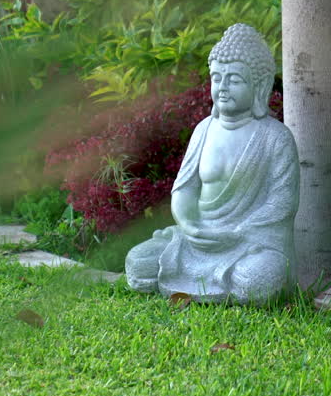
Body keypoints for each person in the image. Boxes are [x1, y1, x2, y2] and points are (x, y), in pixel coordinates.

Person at [124, 23, 299, 303]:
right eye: (217, 78)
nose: (223, 87)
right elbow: (184, 190)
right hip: (196, 240)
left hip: (248, 243)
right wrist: (190, 225)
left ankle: (236, 283)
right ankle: (198, 277)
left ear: (260, 86)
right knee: (139, 262)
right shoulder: (204, 130)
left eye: (235, 80)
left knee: (257, 279)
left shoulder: (275, 137)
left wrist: (238, 232)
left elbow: (282, 204)